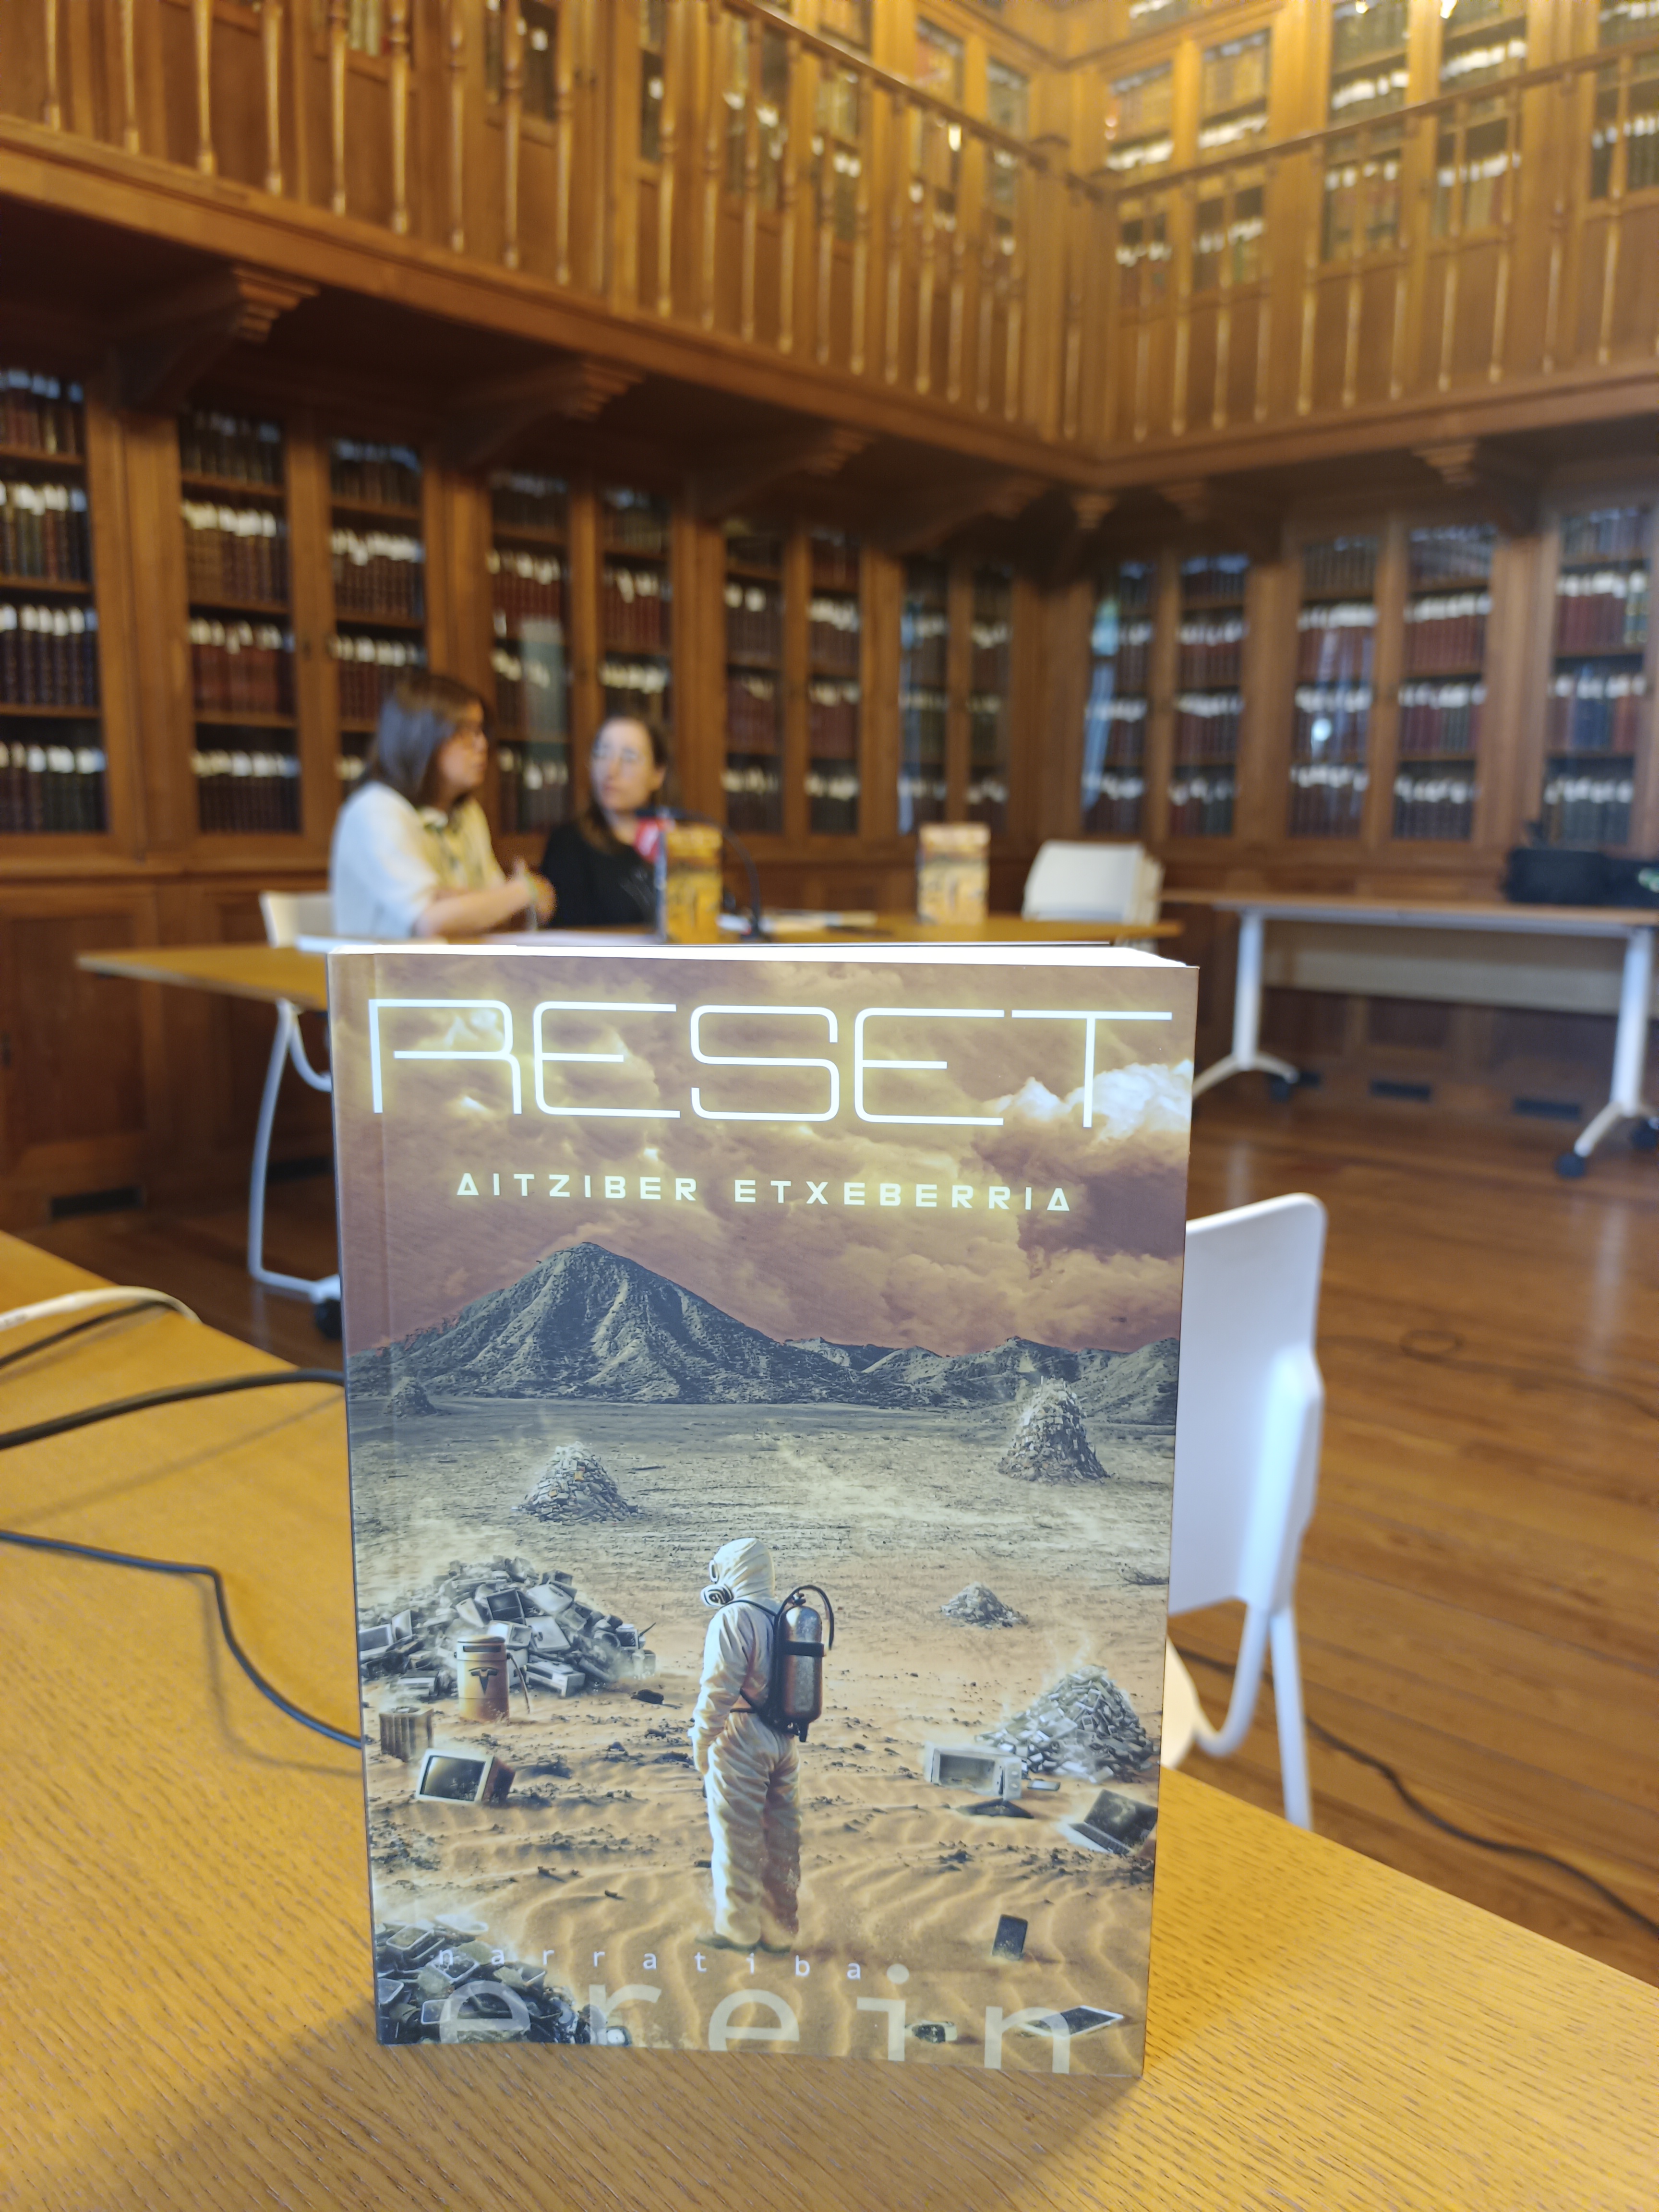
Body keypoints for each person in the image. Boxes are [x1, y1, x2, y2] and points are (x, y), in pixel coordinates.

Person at [330, 673, 553, 939]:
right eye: (465, 732)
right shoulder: (375, 810)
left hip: (461, 961)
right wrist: (524, 890)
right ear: (420, 737)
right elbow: (431, 921)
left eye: (481, 731)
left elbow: (490, 908)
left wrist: (478, 901)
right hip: (390, 966)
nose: (482, 744)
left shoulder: (467, 813)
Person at [690, 1538, 802, 1953]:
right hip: (785, 1739)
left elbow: (718, 1690)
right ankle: (781, 1931)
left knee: (737, 1839)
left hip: (740, 1737)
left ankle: (739, 1932)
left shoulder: (733, 1617)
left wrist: (702, 1743)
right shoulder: (788, 1616)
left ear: (732, 1571)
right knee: (782, 1839)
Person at [538, 715, 669, 928]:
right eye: (601, 754)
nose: (611, 770)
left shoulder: (676, 841)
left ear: (658, 774)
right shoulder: (567, 844)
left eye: (629, 757)